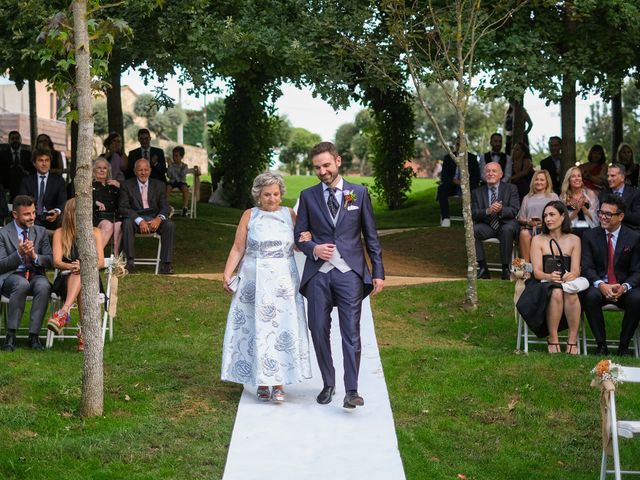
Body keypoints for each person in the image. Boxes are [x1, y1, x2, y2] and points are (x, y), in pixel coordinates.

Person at [294, 141, 384, 409]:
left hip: (350, 274)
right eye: (317, 167)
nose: (322, 171)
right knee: (318, 329)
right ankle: (329, 383)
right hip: (318, 276)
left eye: (326, 165)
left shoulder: (358, 193)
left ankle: (351, 390)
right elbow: (299, 236)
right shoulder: (308, 196)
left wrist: (377, 272)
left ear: (338, 161)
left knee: (351, 332)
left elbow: (371, 236)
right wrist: (313, 247)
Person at [220, 172, 312, 402]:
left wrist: (308, 237)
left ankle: (279, 382)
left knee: (281, 327)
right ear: (258, 196)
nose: (272, 198)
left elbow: (300, 247)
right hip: (254, 279)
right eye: (267, 194)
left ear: (281, 195)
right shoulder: (249, 215)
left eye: (276, 194)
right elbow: (238, 248)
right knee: (256, 328)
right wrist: (227, 272)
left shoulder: (289, 214)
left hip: (283, 280)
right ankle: (261, 381)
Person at [518, 201, 582, 354]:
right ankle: (553, 338)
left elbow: (576, 270)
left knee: (571, 294)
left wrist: (572, 275)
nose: (547, 219)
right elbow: (537, 272)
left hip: (567, 282)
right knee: (556, 292)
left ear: (562, 216)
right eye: (545, 215)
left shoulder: (575, 240)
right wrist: (549, 276)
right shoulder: (538, 239)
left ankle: (572, 340)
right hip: (542, 283)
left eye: (552, 214)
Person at [581, 195, 640, 356]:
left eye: (608, 214)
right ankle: (601, 345)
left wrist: (625, 286)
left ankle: (624, 346)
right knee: (589, 296)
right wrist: (601, 284)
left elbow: (637, 270)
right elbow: (586, 267)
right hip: (600, 286)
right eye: (601, 212)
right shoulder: (590, 236)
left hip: (624, 287)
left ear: (620, 216)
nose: (602, 217)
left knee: (637, 298)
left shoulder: (634, 237)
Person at [47, 198, 105, 351]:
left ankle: (63, 312)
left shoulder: (96, 232)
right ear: (71, 214)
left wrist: (85, 266)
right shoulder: (60, 233)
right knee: (79, 275)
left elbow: (100, 262)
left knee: (83, 277)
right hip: (66, 276)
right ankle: (84, 334)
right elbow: (57, 262)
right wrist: (72, 266)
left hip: (91, 278)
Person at [0, 195, 53, 352]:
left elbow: (50, 260)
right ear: (15, 215)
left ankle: (34, 336)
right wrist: (19, 254)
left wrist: (34, 256)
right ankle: (11, 335)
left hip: (35, 275)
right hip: (12, 277)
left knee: (44, 285)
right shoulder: (3, 233)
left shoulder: (41, 232)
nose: (32, 217)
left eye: (33, 213)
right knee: (21, 284)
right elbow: (1, 264)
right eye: (27, 214)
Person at [119, 158, 175, 274]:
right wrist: (140, 221)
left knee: (169, 225)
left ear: (150, 170)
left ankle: (166, 264)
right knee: (127, 223)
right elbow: (123, 207)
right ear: (135, 171)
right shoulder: (126, 185)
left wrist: (159, 219)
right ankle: (130, 263)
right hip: (136, 218)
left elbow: (165, 207)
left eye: (146, 170)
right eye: (140, 170)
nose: (143, 173)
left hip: (154, 217)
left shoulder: (159, 185)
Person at [472, 162, 520, 280]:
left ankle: (505, 269)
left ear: (501, 174)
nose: (490, 173)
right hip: (487, 226)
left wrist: (500, 210)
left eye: (494, 171)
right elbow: (474, 214)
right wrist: (488, 211)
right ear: (484, 174)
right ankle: (483, 268)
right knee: (472, 230)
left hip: (506, 224)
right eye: (488, 171)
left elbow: (514, 210)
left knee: (507, 230)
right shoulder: (477, 192)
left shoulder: (511, 188)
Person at [19, 148, 67, 230]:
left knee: (62, 219)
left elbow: (62, 201)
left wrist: (56, 211)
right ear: (34, 163)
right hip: (33, 216)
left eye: (47, 160)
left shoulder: (58, 180)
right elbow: (23, 201)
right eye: (40, 160)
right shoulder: (27, 181)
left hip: (53, 217)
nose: (44, 164)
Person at [517, 170, 559, 262]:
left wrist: (544, 221)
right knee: (523, 233)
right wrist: (528, 221)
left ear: (547, 182)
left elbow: (558, 216)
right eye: (536, 179)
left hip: (547, 229)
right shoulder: (527, 197)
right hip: (530, 229)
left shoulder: (553, 196)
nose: (539, 182)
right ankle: (527, 268)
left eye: (542, 180)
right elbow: (521, 218)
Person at [437, 144, 480, 227]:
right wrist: (454, 181)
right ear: (455, 145)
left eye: (462, 144)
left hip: (468, 186)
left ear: (466, 146)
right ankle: (446, 218)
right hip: (452, 185)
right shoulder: (448, 158)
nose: (460, 146)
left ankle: (474, 219)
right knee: (442, 188)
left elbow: (476, 177)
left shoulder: (472, 158)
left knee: (476, 190)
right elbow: (444, 177)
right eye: (457, 144)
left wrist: (465, 182)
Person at [92, 157, 122, 254]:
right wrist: (95, 202)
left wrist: (120, 187)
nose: (102, 170)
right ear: (93, 170)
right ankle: (96, 256)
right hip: (96, 217)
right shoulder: (89, 185)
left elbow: (126, 200)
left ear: (108, 170)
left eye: (104, 168)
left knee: (119, 225)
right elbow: (79, 201)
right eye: (99, 168)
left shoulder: (113, 185)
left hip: (113, 216)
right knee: (108, 225)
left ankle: (115, 259)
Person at [560, 166, 599, 237]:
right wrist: (577, 210)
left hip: (589, 231)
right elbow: (563, 220)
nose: (577, 178)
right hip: (570, 232)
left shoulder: (589, 193)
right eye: (573, 176)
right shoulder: (564, 197)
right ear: (568, 180)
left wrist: (583, 207)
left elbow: (596, 218)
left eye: (579, 176)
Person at [599, 163, 640, 230]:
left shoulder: (635, 193)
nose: (609, 179)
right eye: (608, 176)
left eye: (612, 176)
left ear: (622, 178)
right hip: (609, 231)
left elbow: (637, 218)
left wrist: (617, 211)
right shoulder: (603, 195)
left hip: (630, 231)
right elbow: (601, 219)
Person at [0, 130, 33, 200]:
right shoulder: (2, 155)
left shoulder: (28, 154)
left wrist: (25, 171)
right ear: (9, 141)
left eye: (17, 138)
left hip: (25, 185)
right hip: (8, 186)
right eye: (12, 139)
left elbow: (33, 171)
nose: (15, 140)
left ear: (20, 140)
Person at [166, 146, 190, 217]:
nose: (174, 158)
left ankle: (185, 207)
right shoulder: (171, 165)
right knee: (167, 188)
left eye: (176, 156)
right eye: (173, 156)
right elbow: (169, 175)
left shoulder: (184, 166)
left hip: (181, 181)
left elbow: (180, 177)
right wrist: (170, 167)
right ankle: (166, 207)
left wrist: (172, 168)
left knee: (185, 189)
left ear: (181, 157)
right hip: (172, 181)